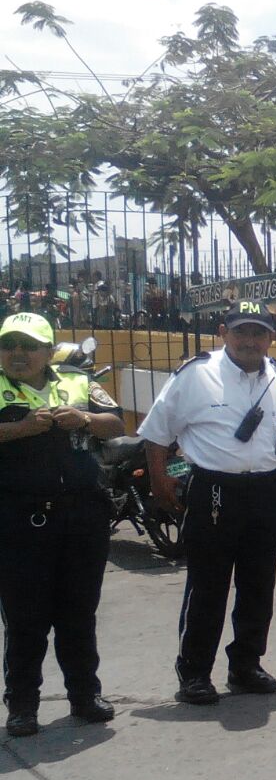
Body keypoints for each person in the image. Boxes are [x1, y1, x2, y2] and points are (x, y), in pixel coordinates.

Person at [140, 301, 276, 704]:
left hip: (268, 492)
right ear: (223, 332)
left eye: (259, 333)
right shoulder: (196, 375)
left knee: (259, 584)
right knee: (208, 586)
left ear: (272, 338)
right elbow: (157, 431)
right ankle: (195, 673)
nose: (250, 341)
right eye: (241, 332)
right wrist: (158, 478)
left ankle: (246, 665)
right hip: (214, 492)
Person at [0, 313, 124, 737]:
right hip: (19, 518)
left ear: (49, 351)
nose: (18, 353)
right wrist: (18, 429)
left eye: (29, 345)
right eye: (9, 344)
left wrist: (84, 418)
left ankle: (85, 695)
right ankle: (22, 705)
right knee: (24, 618)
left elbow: (117, 422)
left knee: (79, 613)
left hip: (81, 516)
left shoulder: (77, 382)